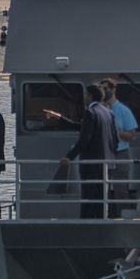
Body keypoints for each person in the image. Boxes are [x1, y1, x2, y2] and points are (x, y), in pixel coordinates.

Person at [60, 83, 119, 219]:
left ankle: (86, 228)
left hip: (92, 165)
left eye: (86, 95)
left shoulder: (90, 112)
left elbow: (84, 139)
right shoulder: (108, 112)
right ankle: (102, 226)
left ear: (90, 96)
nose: (84, 97)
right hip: (107, 164)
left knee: (89, 200)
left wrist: (69, 157)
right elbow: (115, 140)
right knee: (102, 200)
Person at [99, 78, 139, 217]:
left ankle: (123, 220)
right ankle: (102, 219)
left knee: (121, 190)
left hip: (120, 153)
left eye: (106, 88)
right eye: (101, 89)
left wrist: (116, 132)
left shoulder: (123, 110)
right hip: (103, 154)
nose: (103, 91)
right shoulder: (98, 110)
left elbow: (132, 135)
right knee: (100, 189)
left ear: (113, 89)